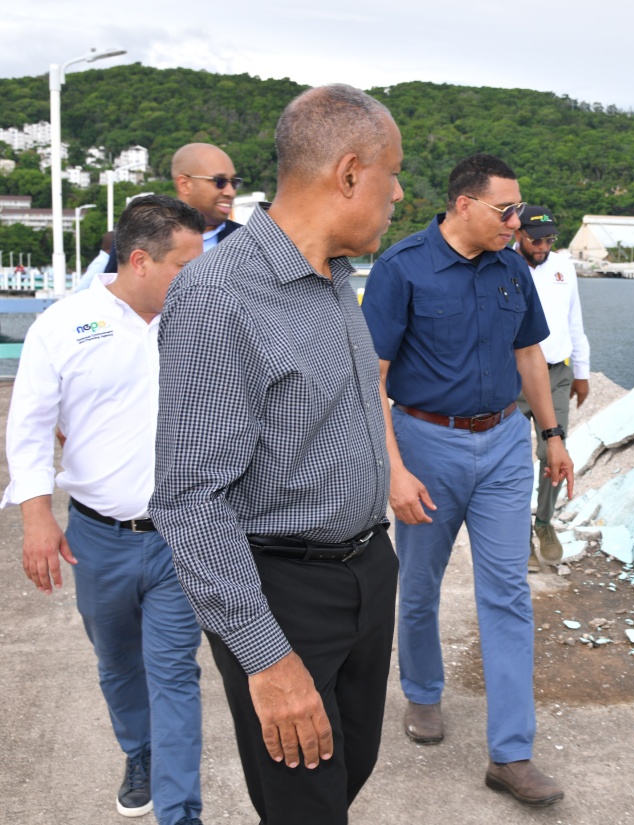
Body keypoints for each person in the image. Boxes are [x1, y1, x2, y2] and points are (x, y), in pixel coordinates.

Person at [148, 84, 403, 825]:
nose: (398, 194)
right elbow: (190, 501)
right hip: (284, 591)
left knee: (348, 769)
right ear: (350, 173)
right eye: (392, 175)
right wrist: (264, 656)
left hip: (367, 568)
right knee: (306, 804)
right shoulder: (222, 295)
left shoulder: (335, 281)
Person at [362, 153, 573, 808]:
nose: (518, 221)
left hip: (506, 441)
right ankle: (423, 694)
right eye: (505, 210)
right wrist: (393, 468)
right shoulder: (403, 268)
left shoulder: (512, 265)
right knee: (419, 582)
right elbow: (372, 378)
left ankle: (511, 752)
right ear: (463, 205)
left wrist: (551, 433)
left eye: (519, 209)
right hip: (427, 442)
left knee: (508, 590)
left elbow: (529, 351)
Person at [3, 195, 207, 825]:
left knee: (174, 672)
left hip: (182, 535)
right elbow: (31, 425)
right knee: (117, 664)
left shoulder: (201, 319)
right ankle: (138, 751)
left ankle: (181, 813)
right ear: (139, 260)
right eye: (185, 266)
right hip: (98, 538)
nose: (197, 279)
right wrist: (37, 517)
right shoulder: (64, 324)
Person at [513, 206, 591, 570]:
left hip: (557, 374)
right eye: (536, 239)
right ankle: (520, 535)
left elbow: (574, 320)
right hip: (512, 378)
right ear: (518, 235)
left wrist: (582, 372)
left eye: (549, 239)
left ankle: (544, 522)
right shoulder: (502, 265)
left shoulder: (564, 268)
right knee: (512, 462)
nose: (543, 245)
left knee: (553, 455)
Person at [104, 143, 244, 274]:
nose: (230, 192)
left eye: (234, 182)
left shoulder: (248, 243)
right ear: (185, 184)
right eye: (220, 182)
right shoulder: (136, 235)